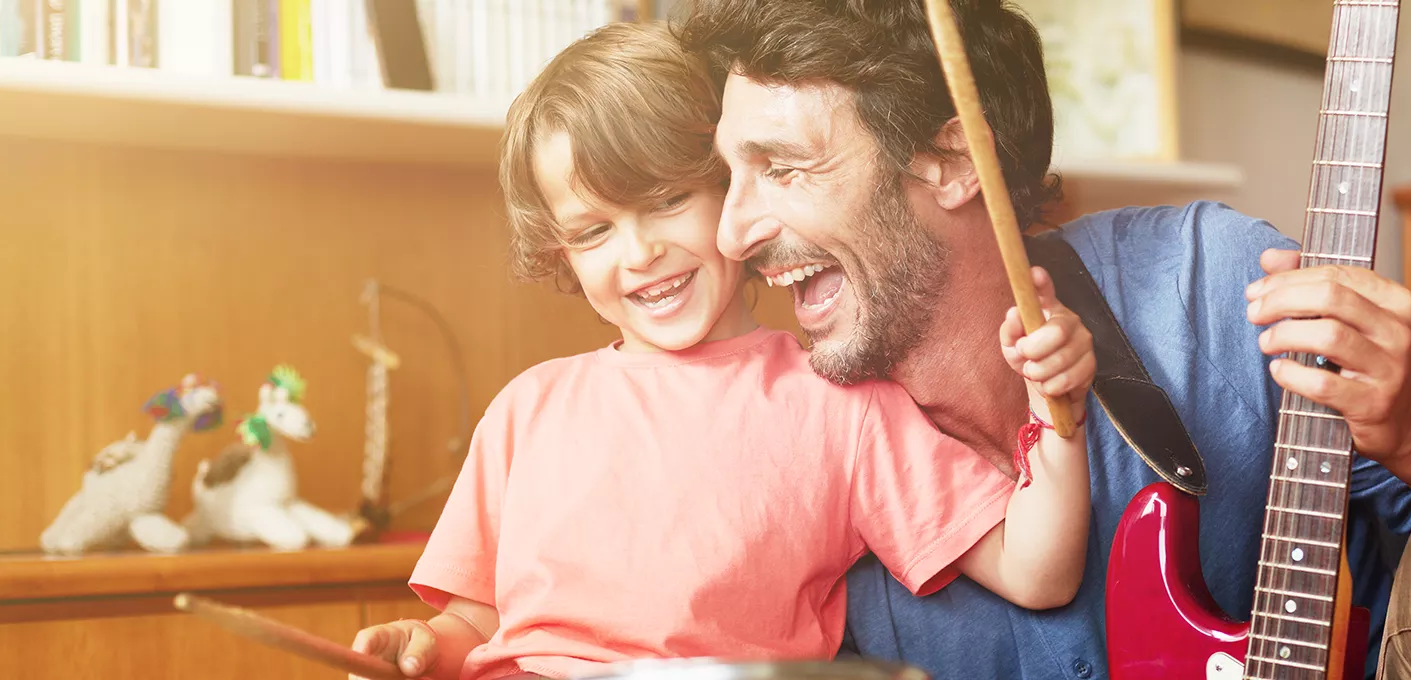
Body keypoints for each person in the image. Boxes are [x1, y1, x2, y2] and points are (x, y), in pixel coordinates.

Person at [678, 1, 1411, 678]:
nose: (732, 232)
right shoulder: (771, 444)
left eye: (782, 168)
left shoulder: (1208, 280)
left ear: (951, 163)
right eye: (730, 178)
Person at [347, 22, 1098, 680]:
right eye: (593, 231)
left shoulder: (842, 406)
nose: (639, 252)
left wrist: (1053, 413)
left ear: (733, 192)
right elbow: (472, 625)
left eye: (668, 201)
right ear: (560, 253)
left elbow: (1037, 572)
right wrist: (422, 646)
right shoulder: (526, 410)